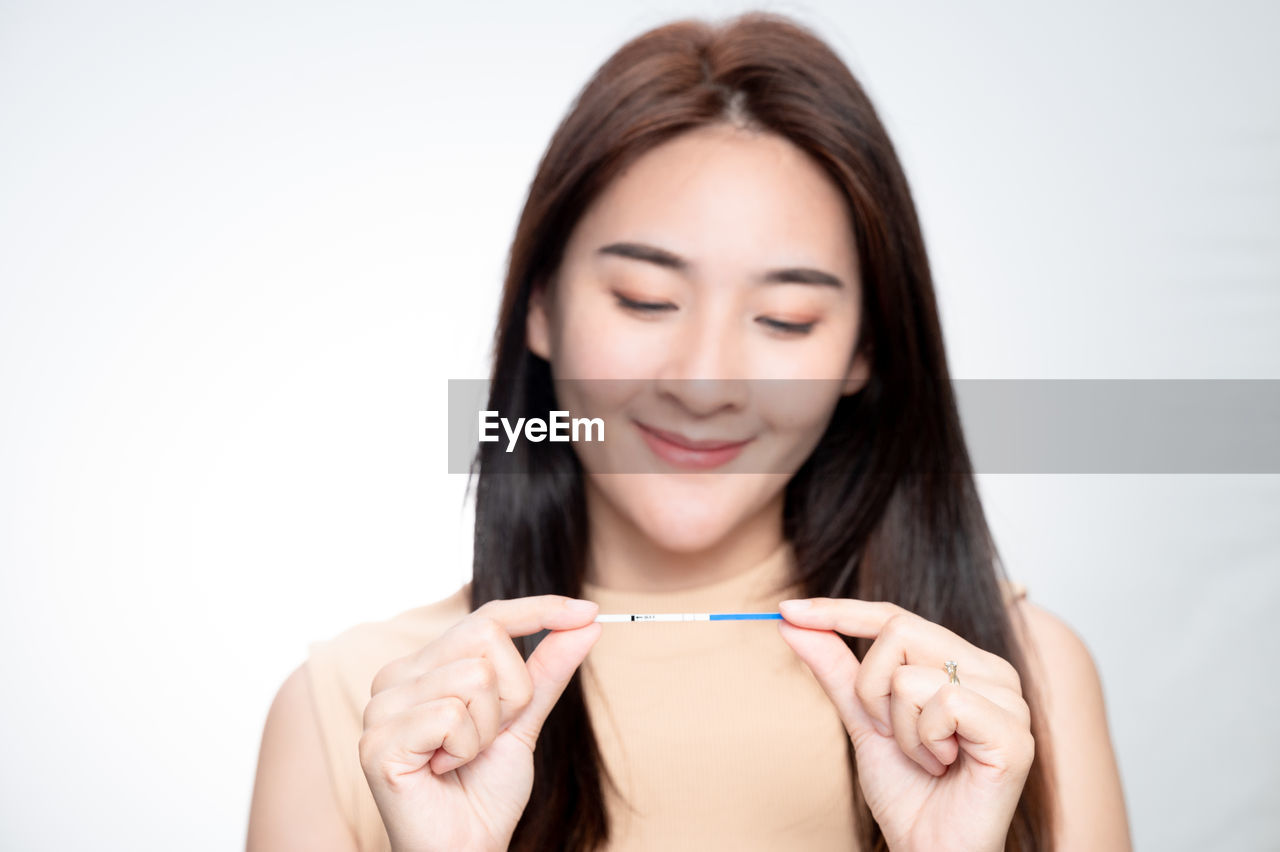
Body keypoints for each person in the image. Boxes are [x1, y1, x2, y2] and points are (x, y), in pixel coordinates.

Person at [247, 11, 1131, 852]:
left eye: (785, 319)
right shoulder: (363, 715)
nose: (706, 381)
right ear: (541, 306)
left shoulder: (1010, 686)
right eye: (645, 300)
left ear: (865, 351)